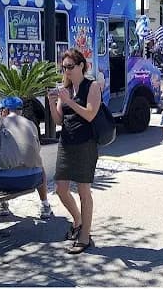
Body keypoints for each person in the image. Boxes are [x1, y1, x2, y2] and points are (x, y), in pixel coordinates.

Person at [47, 49, 101, 254]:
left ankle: (85, 236)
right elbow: (60, 120)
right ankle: (78, 221)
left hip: (85, 144)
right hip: (66, 143)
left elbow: (90, 114)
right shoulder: (65, 89)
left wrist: (68, 101)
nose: (66, 71)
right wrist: (53, 104)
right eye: (64, 67)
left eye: (70, 67)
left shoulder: (92, 86)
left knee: (84, 191)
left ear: (81, 66)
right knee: (60, 188)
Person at [0, 96, 54, 220]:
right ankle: (45, 205)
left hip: (4, 182)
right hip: (32, 179)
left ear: (5, 111)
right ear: (20, 110)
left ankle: (3, 204)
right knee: (39, 165)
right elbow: (37, 150)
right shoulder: (31, 124)